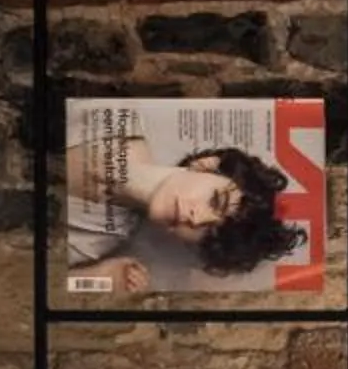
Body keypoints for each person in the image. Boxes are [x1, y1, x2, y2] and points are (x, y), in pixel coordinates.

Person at [65, 115, 303, 295]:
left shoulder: (97, 242)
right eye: (215, 201)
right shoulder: (114, 115)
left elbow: (33, 285)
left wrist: (96, 278)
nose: (196, 219)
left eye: (208, 233)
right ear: (206, 165)